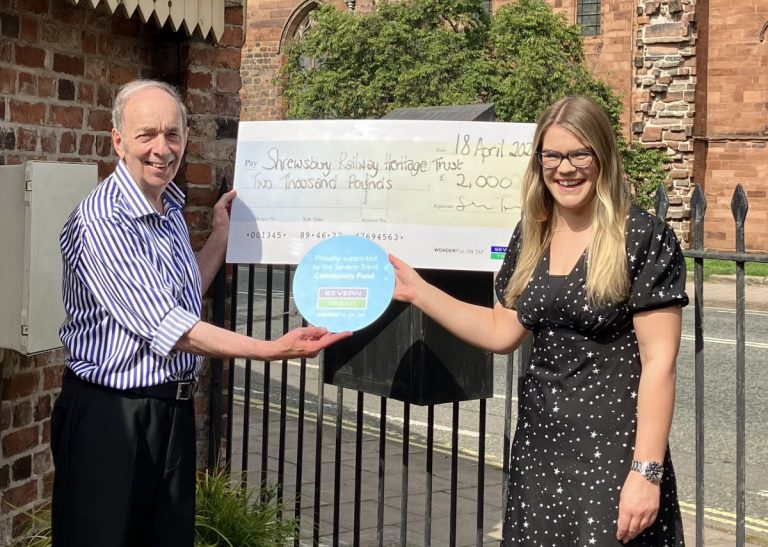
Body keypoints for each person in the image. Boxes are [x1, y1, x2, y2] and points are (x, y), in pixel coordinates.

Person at [50, 79, 350, 547]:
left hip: (169, 412)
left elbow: (181, 300)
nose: (161, 149)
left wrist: (220, 238)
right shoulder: (103, 220)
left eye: (173, 134)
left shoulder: (166, 207)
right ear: (118, 140)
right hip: (112, 418)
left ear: (186, 140)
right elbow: (172, 328)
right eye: (146, 134)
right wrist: (272, 349)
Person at [389, 95, 687, 545]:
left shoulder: (641, 235)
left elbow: (659, 362)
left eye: (578, 153)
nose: (565, 168)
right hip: (540, 447)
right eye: (552, 155)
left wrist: (646, 472)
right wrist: (418, 291)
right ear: (539, 161)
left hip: (613, 451)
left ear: (602, 155)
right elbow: (501, 330)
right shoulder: (534, 233)